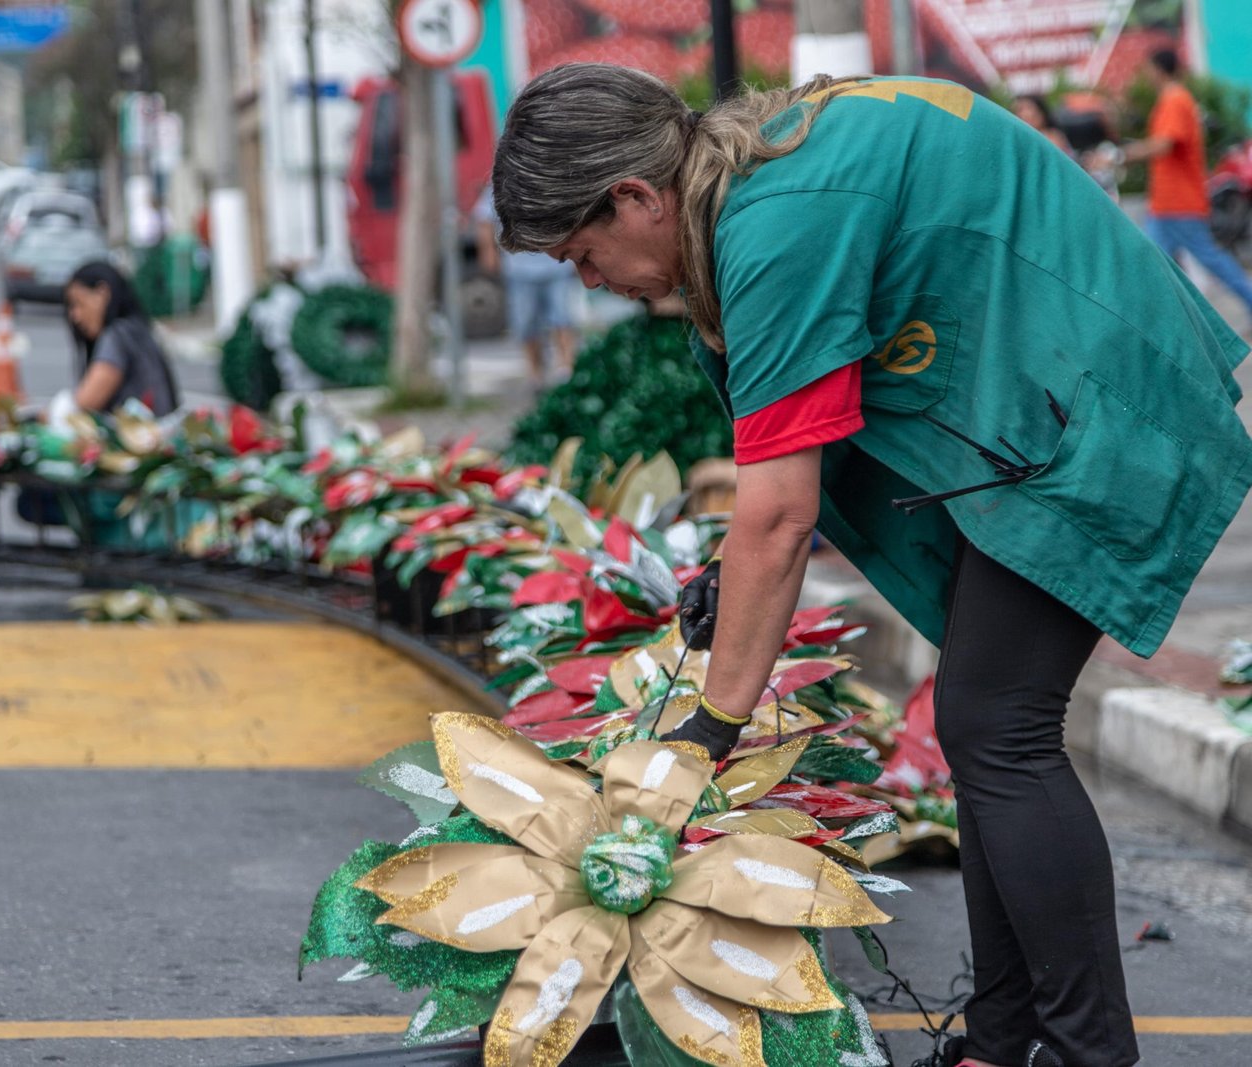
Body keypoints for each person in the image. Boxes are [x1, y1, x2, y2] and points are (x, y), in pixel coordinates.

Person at [493, 67, 1251, 1067]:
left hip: (1088, 397)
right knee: (983, 721)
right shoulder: (764, 178)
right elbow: (796, 459)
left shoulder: (773, 223)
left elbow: (776, 511)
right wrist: (739, 569)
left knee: (997, 728)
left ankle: (1086, 1052)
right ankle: (1000, 1038)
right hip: (1045, 386)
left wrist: (706, 729)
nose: (592, 284)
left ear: (635, 197)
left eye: (583, 254)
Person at [1125, 47, 1252, 323]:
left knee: (1202, 260)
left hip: (1178, 202)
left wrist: (1125, 154)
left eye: (1148, 69)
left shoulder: (1175, 100)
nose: (1146, 75)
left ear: (1158, 69)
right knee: (1156, 265)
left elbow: (1164, 144)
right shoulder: (1173, 99)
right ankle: (1167, 325)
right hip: (1168, 202)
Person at [474, 186, 579, 387]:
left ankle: (567, 368)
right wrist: (488, 252)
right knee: (526, 323)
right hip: (520, 269)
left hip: (557, 266)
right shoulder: (504, 181)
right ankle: (535, 372)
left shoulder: (549, 176)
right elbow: (485, 218)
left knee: (563, 317)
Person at [64, 261, 179, 415]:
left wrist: (53, 412)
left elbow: (85, 403)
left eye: (79, 304)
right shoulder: (138, 329)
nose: (75, 316)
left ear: (102, 293)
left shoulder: (117, 336)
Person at [1011, 95, 1075, 158]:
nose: (1025, 113)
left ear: (1042, 113)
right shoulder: (1018, 140)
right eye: (1019, 110)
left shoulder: (1052, 137)